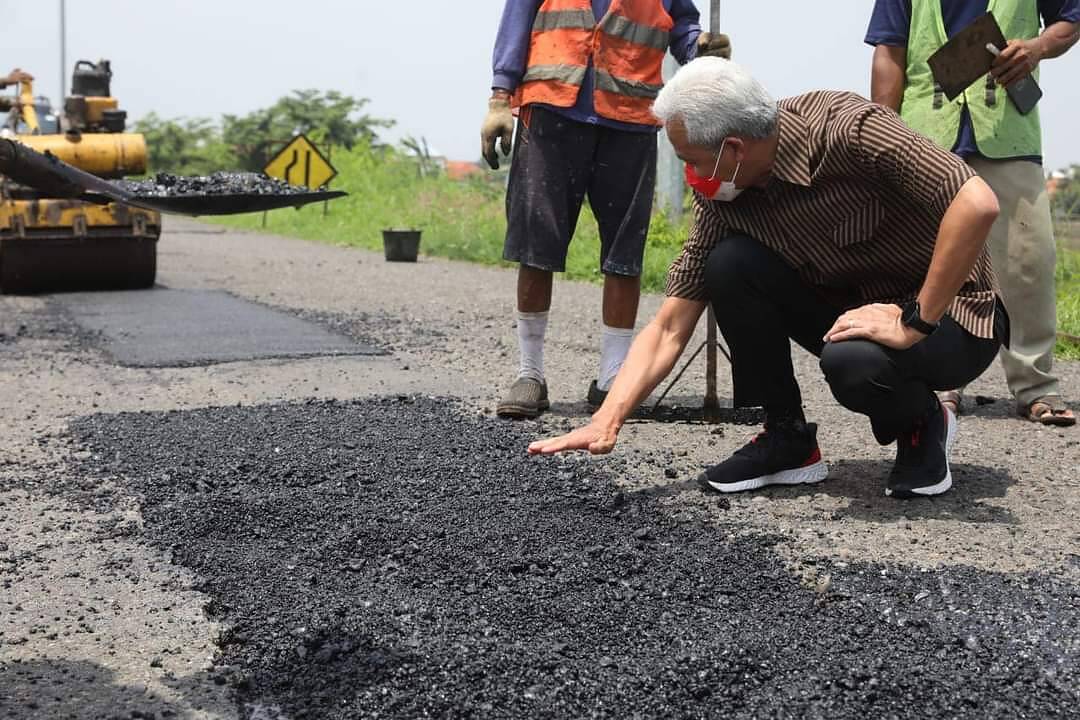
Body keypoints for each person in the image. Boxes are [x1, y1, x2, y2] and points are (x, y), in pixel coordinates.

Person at [528, 57, 1010, 500]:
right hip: (853, 315)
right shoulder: (725, 198)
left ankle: (924, 422)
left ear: (733, 148)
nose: (692, 176)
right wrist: (607, 418)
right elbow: (672, 325)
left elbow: (976, 203)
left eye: (691, 161)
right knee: (730, 263)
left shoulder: (849, 129)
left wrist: (913, 321)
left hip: (950, 317)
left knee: (852, 363)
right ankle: (787, 438)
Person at [481, 0, 731, 419]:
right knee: (535, 244)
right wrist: (499, 98)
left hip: (630, 118)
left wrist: (700, 49)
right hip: (551, 110)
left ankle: (613, 375)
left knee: (624, 252)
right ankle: (531, 374)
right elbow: (517, 18)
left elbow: (681, 26)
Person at [867, 0, 1080, 426]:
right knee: (932, 265)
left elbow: (1070, 20)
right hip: (926, 139)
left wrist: (1036, 47)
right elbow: (889, 52)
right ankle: (941, 379)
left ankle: (1036, 386)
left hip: (1009, 134)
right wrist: (883, 137)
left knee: (1028, 262)